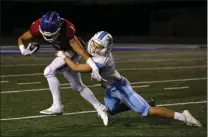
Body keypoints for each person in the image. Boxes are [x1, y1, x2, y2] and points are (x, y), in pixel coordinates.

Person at [56, 31, 202, 127]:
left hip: (121, 88)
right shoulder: (97, 54)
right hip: (111, 88)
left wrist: (63, 56)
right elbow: (83, 50)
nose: (93, 48)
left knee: (147, 111)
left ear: (105, 49)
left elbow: (76, 68)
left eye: (98, 46)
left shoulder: (102, 60)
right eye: (93, 43)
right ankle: (142, 102)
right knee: (110, 110)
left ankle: (184, 117)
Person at [17, 11, 108, 126]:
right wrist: (24, 51)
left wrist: (94, 67)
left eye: (51, 34)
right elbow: (21, 38)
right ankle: (100, 108)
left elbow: (81, 51)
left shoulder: (67, 30)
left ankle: (57, 106)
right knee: (77, 86)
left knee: (49, 71)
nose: (48, 37)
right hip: (63, 51)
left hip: (71, 51)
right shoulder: (36, 27)